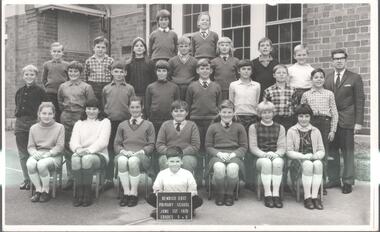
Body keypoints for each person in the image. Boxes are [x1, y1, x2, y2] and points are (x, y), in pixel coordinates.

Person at [324, 49, 365, 194]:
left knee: (347, 151)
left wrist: (358, 122)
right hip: (331, 122)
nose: (339, 61)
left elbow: (359, 101)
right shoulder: (327, 78)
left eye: (341, 58)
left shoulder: (355, 78)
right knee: (332, 151)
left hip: (347, 120)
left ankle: (347, 181)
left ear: (346, 60)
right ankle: (334, 178)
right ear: (332, 61)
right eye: (336, 59)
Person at [58, 61, 96, 190]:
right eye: (70, 71)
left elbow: (91, 103)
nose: (73, 74)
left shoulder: (86, 87)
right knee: (68, 147)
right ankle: (71, 177)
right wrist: (65, 112)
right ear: (67, 73)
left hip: (81, 117)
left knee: (83, 146)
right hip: (67, 116)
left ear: (80, 73)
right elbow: (59, 102)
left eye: (76, 71)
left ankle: (84, 179)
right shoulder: (63, 86)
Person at [300, 68, 338, 195]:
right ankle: (308, 182)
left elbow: (334, 113)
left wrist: (332, 130)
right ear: (311, 80)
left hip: (324, 124)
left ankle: (321, 183)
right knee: (309, 150)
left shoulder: (329, 94)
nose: (319, 79)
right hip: (310, 124)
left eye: (321, 77)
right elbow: (301, 111)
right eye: (316, 77)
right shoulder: (306, 94)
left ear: (324, 79)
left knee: (323, 153)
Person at [114, 96, 155, 207]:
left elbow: (151, 145)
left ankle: (134, 193)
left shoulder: (148, 125)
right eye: (132, 107)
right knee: (122, 160)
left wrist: (141, 152)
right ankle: (126, 193)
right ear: (128, 108)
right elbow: (117, 144)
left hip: (141, 156)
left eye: (137, 107)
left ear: (142, 108)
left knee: (132, 161)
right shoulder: (122, 125)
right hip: (125, 153)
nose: (135, 109)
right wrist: (123, 151)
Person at [205, 100, 248, 206]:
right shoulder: (213, 127)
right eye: (224, 112)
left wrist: (234, 154)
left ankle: (229, 193)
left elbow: (244, 147)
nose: (226, 115)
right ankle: (220, 193)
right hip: (217, 156)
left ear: (234, 113)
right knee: (219, 168)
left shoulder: (239, 127)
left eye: (229, 112)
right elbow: (208, 146)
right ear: (219, 113)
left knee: (232, 168)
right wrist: (219, 154)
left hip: (234, 156)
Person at [69, 99, 111, 207]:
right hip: (81, 152)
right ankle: (79, 193)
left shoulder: (105, 122)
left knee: (86, 159)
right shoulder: (79, 123)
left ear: (99, 110)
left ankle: (87, 194)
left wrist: (88, 151)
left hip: (99, 154)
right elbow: (73, 141)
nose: (91, 111)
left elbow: (103, 142)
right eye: (88, 108)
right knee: (75, 159)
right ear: (85, 109)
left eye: (94, 109)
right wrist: (78, 149)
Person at [102, 61, 136, 191]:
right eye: (116, 71)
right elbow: (104, 104)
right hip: (110, 122)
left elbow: (132, 105)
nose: (118, 74)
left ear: (125, 73)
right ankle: (109, 178)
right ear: (111, 72)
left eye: (121, 71)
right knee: (110, 149)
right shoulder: (106, 88)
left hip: (125, 123)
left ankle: (124, 178)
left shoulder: (129, 88)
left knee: (123, 148)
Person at [229, 59, 260, 191]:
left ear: (251, 71)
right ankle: (237, 178)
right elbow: (231, 103)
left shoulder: (256, 85)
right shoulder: (233, 85)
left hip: (252, 118)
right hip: (238, 118)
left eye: (248, 69)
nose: (246, 71)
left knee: (251, 149)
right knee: (239, 148)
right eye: (243, 69)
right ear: (238, 71)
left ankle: (250, 180)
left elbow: (257, 102)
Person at [147, 146, 203, 219]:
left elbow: (193, 190)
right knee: (150, 197)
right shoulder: (162, 173)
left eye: (177, 161)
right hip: (167, 201)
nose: (175, 164)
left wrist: (186, 197)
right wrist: (160, 193)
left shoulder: (187, 174)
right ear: (167, 162)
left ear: (181, 162)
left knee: (198, 200)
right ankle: (168, 210)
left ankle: (183, 210)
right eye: (172, 161)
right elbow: (157, 188)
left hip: (183, 201)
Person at [286, 104, 325, 210]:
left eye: (307, 116)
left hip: (312, 159)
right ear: (297, 117)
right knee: (307, 164)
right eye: (301, 116)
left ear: (310, 117)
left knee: (318, 164)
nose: (304, 119)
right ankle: (307, 197)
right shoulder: (291, 131)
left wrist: (315, 156)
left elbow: (322, 150)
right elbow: (289, 151)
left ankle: (315, 197)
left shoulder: (315, 131)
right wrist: (303, 156)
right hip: (298, 162)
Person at [15, 64, 47, 191]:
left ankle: (36, 179)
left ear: (36, 76)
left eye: (32, 74)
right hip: (20, 124)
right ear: (23, 76)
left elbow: (45, 109)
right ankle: (27, 179)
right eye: (27, 74)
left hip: (34, 123)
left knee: (34, 152)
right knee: (23, 154)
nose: (29, 77)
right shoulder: (19, 91)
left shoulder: (40, 91)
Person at [249, 101, 286, 208]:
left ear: (273, 113)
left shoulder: (280, 127)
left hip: (275, 156)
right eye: (264, 112)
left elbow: (282, 147)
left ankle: (276, 194)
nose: (267, 115)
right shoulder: (253, 127)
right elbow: (253, 147)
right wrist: (265, 154)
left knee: (278, 163)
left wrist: (275, 154)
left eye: (269, 112)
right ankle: (268, 194)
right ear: (259, 114)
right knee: (266, 163)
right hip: (260, 157)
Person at [27, 102, 65, 202]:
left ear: (53, 114)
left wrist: (49, 154)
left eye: (49, 113)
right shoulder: (33, 128)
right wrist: (34, 153)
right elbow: (30, 146)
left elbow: (60, 146)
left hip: (53, 156)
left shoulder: (60, 127)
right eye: (44, 113)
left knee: (41, 164)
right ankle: (38, 190)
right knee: (30, 164)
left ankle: (46, 191)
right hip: (39, 153)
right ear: (39, 114)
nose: (46, 116)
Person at [186, 58, 222, 159]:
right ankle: (198, 172)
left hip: (211, 120)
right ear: (197, 71)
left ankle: (209, 170)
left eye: (207, 68)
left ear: (211, 71)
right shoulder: (192, 86)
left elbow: (219, 105)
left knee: (210, 145)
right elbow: (188, 104)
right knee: (197, 146)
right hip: (195, 120)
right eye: (202, 68)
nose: (205, 71)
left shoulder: (216, 86)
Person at [156, 100, 200, 174]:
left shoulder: (192, 125)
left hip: (186, 155)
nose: (179, 113)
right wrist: (170, 153)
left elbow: (195, 146)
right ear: (171, 113)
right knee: (164, 160)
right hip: (168, 154)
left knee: (187, 161)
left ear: (187, 113)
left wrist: (181, 153)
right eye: (176, 111)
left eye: (182, 111)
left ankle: (185, 184)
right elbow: (159, 145)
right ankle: (167, 184)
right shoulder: (165, 125)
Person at [145, 60, 180, 134]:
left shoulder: (174, 87)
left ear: (168, 72)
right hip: (155, 120)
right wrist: (150, 116)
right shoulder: (150, 87)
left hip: (170, 119)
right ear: (156, 72)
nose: (161, 73)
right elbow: (147, 105)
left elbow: (177, 104)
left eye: (164, 71)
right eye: (159, 71)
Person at [263, 64, 296, 131]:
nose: (281, 75)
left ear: (287, 75)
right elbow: (265, 108)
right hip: (274, 120)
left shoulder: (293, 90)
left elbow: (295, 106)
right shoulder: (268, 90)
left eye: (284, 73)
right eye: (278, 73)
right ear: (274, 75)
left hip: (288, 120)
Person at [42, 42, 69, 122]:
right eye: (54, 51)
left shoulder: (66, 65)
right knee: (51, 111)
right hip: (50, 93)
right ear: (51, 52)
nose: (56, 53)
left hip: (63, 93)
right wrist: (48, 87)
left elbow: (68, 79)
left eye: (59, 51)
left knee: (61, 112)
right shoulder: (47, 64)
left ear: (62, 53)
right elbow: (44, 79)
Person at [125, 37, 156, 107]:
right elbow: (126, 81)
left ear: (145, 49)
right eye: (136, 46)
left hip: (147, 94)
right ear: (133, 49)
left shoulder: (150, 63)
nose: (139, 48)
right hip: (133, 95)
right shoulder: (128, 64)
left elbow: (154, 80)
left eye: (141, 46)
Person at [84, 36, 114, 103]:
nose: (100, 49)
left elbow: (113, 76)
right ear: (93, 48)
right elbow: (85, 76)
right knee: (94, 105)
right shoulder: (89, 61)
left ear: (106, 49)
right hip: (93, 86)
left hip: (106, 86)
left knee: (105, 105)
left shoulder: (110, 61)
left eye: (103, 47)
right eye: (98, 47)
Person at [251, 37, 279, 101]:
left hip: (272, 92)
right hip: (258, 92)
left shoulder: (276, 63)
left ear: (271, 48)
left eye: (267, 45)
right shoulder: (253, 63)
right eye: (262, 45)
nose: (265, 47)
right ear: (259, 49)